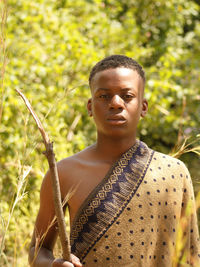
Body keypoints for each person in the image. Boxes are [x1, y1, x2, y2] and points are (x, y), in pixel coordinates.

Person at [29, 55, 200, 267]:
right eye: (104, 96)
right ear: (90, 107)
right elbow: (38, 249)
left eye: (127, 96)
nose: (116, 104)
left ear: (143, 107)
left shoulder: (174, 172)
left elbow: (190, 255)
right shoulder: (64, 173)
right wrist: (53, 265)